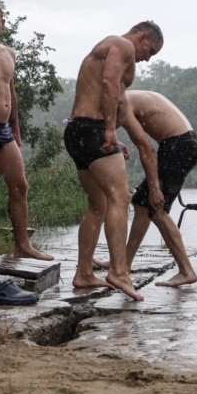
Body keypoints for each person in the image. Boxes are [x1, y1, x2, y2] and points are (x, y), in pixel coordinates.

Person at [65, 21, 163, 301]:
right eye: (151, 51)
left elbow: (107, 90)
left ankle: (84, 272)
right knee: (120, 198)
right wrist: (108, 129)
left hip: (78, 130)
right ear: (142, 36)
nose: (147, 57)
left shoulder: (108, 46)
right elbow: (108, 82)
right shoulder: (123, 45)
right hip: (94, 129)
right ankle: (119, 271)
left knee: (98, 204)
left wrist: (110, 133)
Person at [0, 0, 53, 261]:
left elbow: (9, 90)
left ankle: (22, 245)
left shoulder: (9, 53)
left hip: (3, 129)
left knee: (20, 186)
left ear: (3, 23)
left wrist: (15, 125)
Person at [119, 90, 197, 287]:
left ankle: (186, 270)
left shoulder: (122, 103)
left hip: (178, 146)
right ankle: (124, 264)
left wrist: (155, 189)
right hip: (181, 144)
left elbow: (146, 149)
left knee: (157, 210)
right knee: (141, 203)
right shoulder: (129, 97)